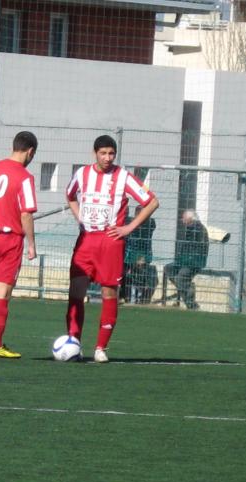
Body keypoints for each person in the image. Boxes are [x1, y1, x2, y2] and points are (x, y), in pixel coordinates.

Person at [65, 134, 159, 363]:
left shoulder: (124, 177)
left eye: (111, 153)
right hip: (86, 240)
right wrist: (80, 218)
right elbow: (70, 196)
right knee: (76, 291)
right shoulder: (82, 174)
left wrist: (129, 228)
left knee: (109, 293)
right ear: (94, 153)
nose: (107, 158)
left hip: (111, 242)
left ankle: (100, 348)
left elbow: (152, 202)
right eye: (103, 153)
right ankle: (73, 342)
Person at [0, 130, 38, 359]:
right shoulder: (24, 176)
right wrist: (31, 244)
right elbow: (26, 214)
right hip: (9, 239)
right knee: (3, 292)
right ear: (30, 151)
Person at [165, 209, 209, 310]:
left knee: (181, 278)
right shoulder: (191, 228)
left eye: (184, 218)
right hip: (185, 261)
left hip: (193, 262)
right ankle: (187, 287)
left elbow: (194, 249)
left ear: (190, 218)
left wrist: (184, 258)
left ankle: (192, 304)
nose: (182, 220)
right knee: (168, 268)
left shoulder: (197, 228)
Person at [122, 204, 157, 304]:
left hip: (142, 257)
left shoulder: (149, 223)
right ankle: (128, 297)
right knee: (128, 277)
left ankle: (141, 299)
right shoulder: (130, 222)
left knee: (142, 278)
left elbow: (147, 223)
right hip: (129, 257)